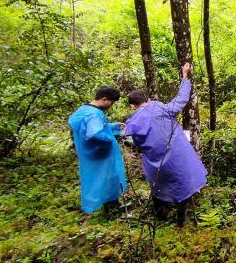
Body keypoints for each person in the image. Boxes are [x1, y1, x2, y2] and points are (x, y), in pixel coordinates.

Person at [124, 63, 207, 227]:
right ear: (147, 99)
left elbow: (135, 143)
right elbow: (181, 99)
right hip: (176, 156)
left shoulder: (132, 122)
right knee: (182, 184)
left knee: (158, 187)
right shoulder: (162, 109)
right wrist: (185, 76)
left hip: (155, 163)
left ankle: (160, 216)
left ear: (133, 105)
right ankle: (181, 221)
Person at [68, 86, 127, 215]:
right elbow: (94, 134)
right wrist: (110, 139)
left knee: (103, 180)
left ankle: (112, 207)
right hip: (100, 154)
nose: (111, 105)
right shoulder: (93, 115)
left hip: (92, 154)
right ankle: (113, 211)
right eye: (111, 102)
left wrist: (113, 126)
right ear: (104, 99)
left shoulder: (85, 110)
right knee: (108, 181)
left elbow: (96, 128)